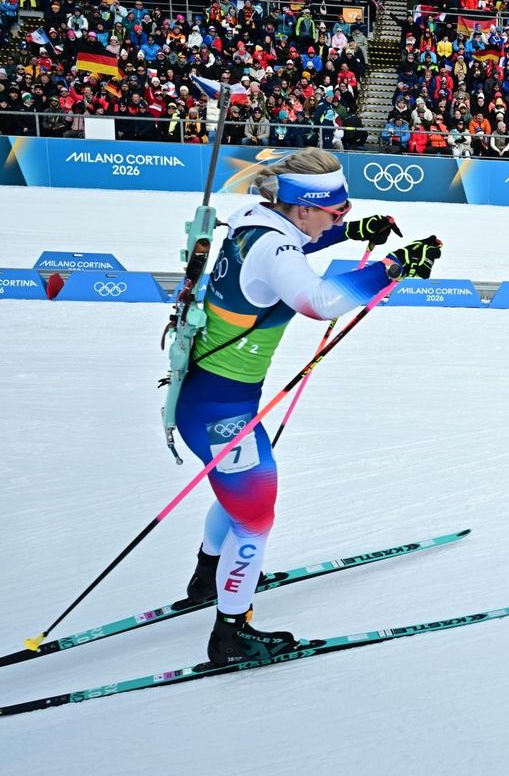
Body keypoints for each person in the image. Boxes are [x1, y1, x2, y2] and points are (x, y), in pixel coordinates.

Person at [174, 147, 443, 665]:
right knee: (255, 518)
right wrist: (392, 266)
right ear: (301, 207)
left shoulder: (256, 220)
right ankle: (231, 634)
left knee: (237, 496)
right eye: (336, 211)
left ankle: (208, 577)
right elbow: (317, 301)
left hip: (215, 398)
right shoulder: (276, 250)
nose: (340, 218)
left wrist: (351, 232)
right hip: (219, 412)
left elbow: (297, 242)